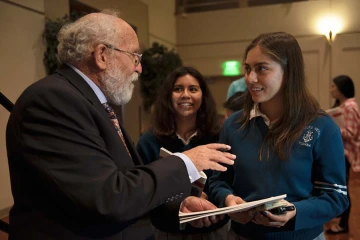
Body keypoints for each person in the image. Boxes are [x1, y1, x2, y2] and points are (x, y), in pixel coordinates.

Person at [5, 10, 236, 240]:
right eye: (135, 57)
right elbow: (106, 198)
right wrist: (187, 161)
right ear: (102, 55)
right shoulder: (53, 101)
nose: (139, 68)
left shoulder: (92, 103)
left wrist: (177, 207)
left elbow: (125, 185)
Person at [208, 32, 349, 240]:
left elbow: (336, 196)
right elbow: (217, 181)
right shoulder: (233, 125)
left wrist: (296, 211)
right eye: (247, 68)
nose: (250, 78)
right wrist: (228, 199)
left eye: (261, 68)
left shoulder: (322, 126)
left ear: (289, 71)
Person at [136, 66, 229, 239]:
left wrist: (207, 197)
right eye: (178, 89)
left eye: (193, 89)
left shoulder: (219, 137)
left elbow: (227, 181)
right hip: (167, 230)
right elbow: (142, 189)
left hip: (214, 230)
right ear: (168, 96)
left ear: (203, 96)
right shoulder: (149, 141)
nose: (185, 95)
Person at [326, 75, 360, 234]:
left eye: (333, 86)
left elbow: (352, 132)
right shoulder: (342, 106)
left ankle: (344, 224)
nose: (331, 89)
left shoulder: (349, 107)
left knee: (344, 189)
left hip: (347, 154)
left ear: (341, 89)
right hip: (341, 153)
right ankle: (340, 215)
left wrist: (333, 129)